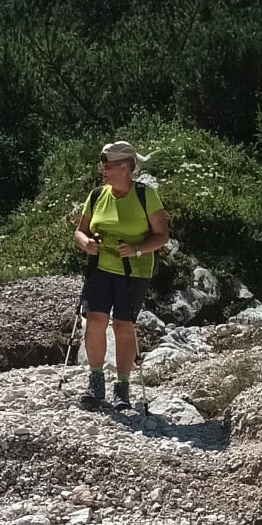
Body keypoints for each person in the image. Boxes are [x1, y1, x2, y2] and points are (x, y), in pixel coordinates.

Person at [73, 140, 169, 409]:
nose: (103, 171)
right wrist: (86, 243)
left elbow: (162, 235)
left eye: (108, 166)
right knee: (95, 320)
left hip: (133, 272)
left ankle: (122, 387)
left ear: (125, 168)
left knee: (123, 326)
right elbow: (80, 231)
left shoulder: (145, 195)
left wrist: (137, 249)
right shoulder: (96, 195)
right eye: (103, 166)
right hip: (100, 268)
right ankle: (95, 382)